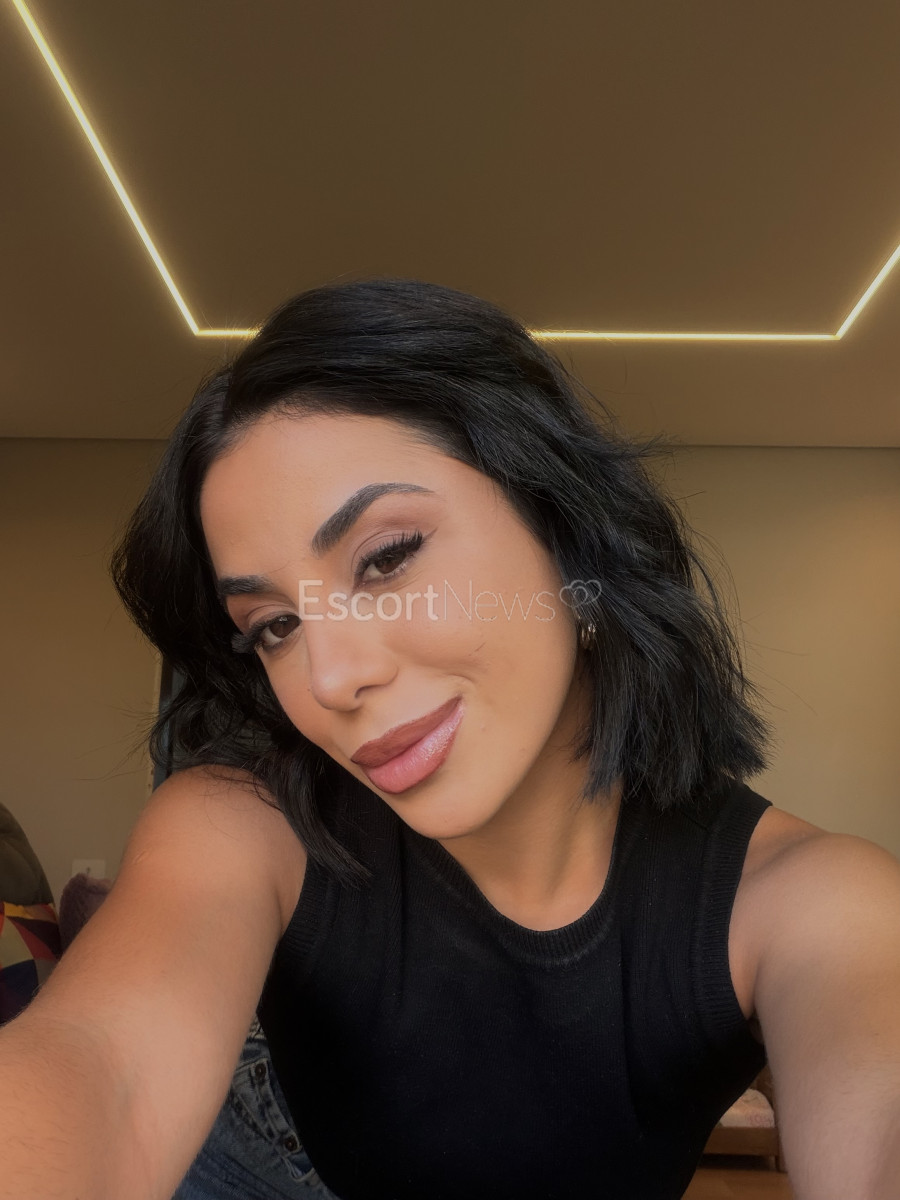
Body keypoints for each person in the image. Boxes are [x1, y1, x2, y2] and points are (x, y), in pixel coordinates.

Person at [1, 279, 899, 1200]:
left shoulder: (806, 900)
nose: (328, 678)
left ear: (569, 535)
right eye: (273, 626)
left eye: (386, 558)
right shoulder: (238, 823)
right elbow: (103, 1070)